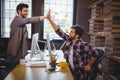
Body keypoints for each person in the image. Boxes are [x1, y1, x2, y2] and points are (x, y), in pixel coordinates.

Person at [47, 10, 99, 80]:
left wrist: (89, 65)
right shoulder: (69, 40)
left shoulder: (83, 45)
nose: (69, 33)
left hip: (79, 74)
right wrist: (50, 20)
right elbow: (58, 31)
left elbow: (95, 54)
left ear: (77, 35)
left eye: (71, 32)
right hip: (70, 70)